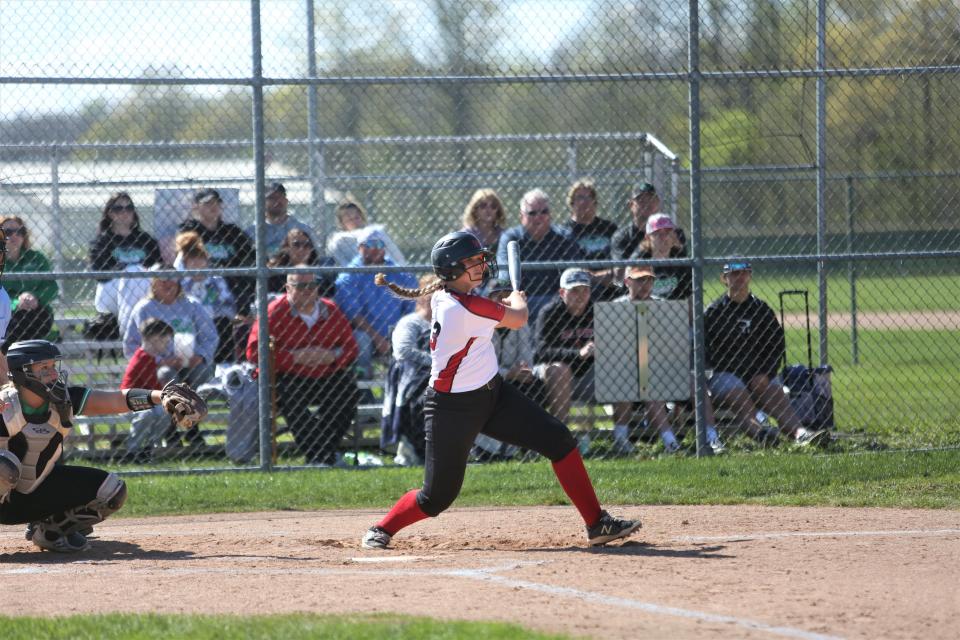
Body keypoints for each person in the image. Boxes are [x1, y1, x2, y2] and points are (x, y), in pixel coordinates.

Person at [360, 231, 640, 550]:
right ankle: (381, 528)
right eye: (472, 261)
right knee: (436, 497)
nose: (481, 264)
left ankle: (597, 522)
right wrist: (517, 299)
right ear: (452, 270)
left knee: (559, 439)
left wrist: (501, 307)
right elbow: (519, 318)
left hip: (494, 395)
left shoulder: (446, 296)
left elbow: (487, 314)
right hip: (452, 409)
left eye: (480, 258)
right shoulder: (460, 308)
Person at [0, 339, 205, 552]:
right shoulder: (5, 406)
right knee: (4, 467)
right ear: (22, 373)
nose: (53, 374)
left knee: (111, 492)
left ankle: (50, 532)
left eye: (53, 366)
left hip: (33, 493)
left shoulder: (64, 401)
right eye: (44, 368)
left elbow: (116, 399)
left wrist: (160, 396)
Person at [704, 260, 827, 446]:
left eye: (744, 273)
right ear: (724, 279)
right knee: (741, 399)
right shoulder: (714, 312)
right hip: (726, 374)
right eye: (734, 274)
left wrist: (766, 373)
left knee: (778, 399)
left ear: (750, 276)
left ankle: (801, 435)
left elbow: (776, 346)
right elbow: (705, 351)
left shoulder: (761, 310)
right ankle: (762, 435)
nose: (740, 278)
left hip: (759, 374)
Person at [246, 269, 360, 466]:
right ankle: (323, 455)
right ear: (288, 288)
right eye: (300, 286)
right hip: (288, 375)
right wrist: (294, 358)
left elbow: (351, 348)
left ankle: (320, 455)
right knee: (290, 395)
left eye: (312, 285)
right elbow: (255, 352)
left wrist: (331, 356)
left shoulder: (330, 310)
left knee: (348, 391)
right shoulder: (273, 312)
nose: (308, 290)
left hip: (326, 373)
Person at [611, 265, 724, 454]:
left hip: (664, 369)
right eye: (639, 280)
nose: (645, 285)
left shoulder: (664, 307)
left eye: (649, 280)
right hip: (630, 373)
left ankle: (712, 438)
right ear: (627, 282)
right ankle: (668, 442)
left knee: (697, 385)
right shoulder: (616, 309)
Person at [122, 264, 218, 446]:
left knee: (203, 372)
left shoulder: (191, 305)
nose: (168, 283)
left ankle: (191, 427)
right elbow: (131, 345)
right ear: (154, 283)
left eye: (172, 278)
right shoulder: (144, 308)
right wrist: (159, 360)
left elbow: (210, 336)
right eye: (163, 279)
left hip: (190, 363)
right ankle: (173, 431)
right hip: (160, 367)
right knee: (166, 375)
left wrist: (201, 355)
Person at [533, 268, 608, 451]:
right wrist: (577, 354)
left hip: (590, 375)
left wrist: (602, 348)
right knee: (560, 369)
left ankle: (623, 437)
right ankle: (560, 439)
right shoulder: (550, 312)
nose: (581, 295)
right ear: (562, 292)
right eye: (574, 290)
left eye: (585, 290)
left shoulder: (597, 310)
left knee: (619, 366)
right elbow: (541, 351)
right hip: (553, 377)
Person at [334, 227, 417, 378]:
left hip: (396, 330)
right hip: (367, 334)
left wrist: (399, 335)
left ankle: (409, 389)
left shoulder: (401, 273)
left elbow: (410, 309)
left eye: (379, 245)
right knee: (361, 341)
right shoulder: (348, 276)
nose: (374, 249)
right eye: (369, 245)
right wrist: (378, 339)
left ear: (385, 249)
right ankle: (365, 392)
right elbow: (354, 316)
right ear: (359, 248)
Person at [496, 189, 585, 321]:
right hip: (521, 300)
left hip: (558, 302)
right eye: (532, 213)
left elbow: (573, 273)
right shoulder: (511, 238)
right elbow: (503, 275)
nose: (539, 217)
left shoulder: (564, 236)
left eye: (544, 212)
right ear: (521, 216)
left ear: (550, 215)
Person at [87, 192, 162, 341]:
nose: (124, 212)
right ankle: (133, 334)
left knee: (137, 273)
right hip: (110, 293)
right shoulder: (102, 241)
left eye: (129, 208)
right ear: (109, 213)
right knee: (133, 272)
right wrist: (126, 271)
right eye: (118, 208)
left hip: (144, 290)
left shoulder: (145, 239)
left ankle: (131, 330)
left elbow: (157, 267)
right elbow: (100, 274)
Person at [178, 188, 255, 321]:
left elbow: (251, 255)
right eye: (207, 203)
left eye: (216, 203)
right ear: (196, 207)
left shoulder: (232, 232)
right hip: (201, 281)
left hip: (232, 282)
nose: (213, 207)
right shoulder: (189, 230)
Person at [380, 275, 434, 466]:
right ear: (419, 296)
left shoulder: (447, 322)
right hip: (411, 378)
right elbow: (402, 351)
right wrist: (436, 362)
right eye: (430, 294)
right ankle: (413, 448)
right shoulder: (411, 322)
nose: (434, 298)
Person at [175, 231, 237, 364]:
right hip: (188, 322)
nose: (197, 263)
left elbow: (229, 305)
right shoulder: (180, 282)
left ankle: (223, 366)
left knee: (223, 323)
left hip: (213, 321)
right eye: (192, 259)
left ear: (207, 261)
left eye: (200, 258)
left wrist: (211, 313)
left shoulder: (215, 280)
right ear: (185, 263)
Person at [120, 318, 179, 460]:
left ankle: (150, 447)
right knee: (146, 415)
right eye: (165, 341)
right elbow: (152, 386)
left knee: (165, 412)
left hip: (147, 400)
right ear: (154, 339)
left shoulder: (154, 358)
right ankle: (132, 450)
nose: (167, 345)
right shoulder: (142, 357)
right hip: (128, 399)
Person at [0, 216, 58, 346]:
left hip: (37, 311)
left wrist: (35, 297)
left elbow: (52, 287)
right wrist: (16, 302)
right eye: (8, 232)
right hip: (7, 314)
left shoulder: (37, 258)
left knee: (32, 319)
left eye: (20, 231)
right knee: (17, 322)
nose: (15, 235)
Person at [610, 182, 686, 263]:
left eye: (651, 199)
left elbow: (685, 269)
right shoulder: (622, 236)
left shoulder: (675, 233)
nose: (647, 204)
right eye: (641, 200)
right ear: (631, 205)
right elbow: (620, 270)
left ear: (658, 203)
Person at [326, 196, 405, 267]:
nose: (354, 221)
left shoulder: (374, 232)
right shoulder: (339, 240)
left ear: (362, 217)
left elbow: (396, 256)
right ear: (342, 223)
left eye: (357, 218)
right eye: (349, 219)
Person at [245, 181, 317, 256]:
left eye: (281, 197)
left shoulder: (303, 229)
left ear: (286, 200)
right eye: (272, 198)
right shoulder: (251, 232)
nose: (277, 201)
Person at [635, 214, 691, 301]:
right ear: (648, 237)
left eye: (667, 232)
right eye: (657, 233)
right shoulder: (640, 262)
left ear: (673, 235)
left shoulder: (682, 262)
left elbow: (689, 295)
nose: (663, 237)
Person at [266, 228, 336, 297]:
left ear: (311, 249)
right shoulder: (275, 274)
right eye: (296, 244)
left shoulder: (321, 273)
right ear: (286, 248)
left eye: (306, 245)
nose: (301, 249)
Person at [460, 189, 507, 255]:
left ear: (498, 211)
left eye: (493, 206)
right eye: (483, 206)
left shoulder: (503, 234)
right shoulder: (467, 234)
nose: (488, 210)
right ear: (475, 210)